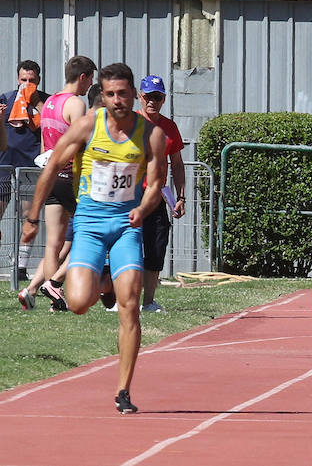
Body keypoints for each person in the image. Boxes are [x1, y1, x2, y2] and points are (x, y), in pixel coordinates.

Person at [21, 62, 168, 414]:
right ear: (101, 95)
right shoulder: (89, 125)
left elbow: (157, 181)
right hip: (88, 224)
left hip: (125, 227)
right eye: (111, 94)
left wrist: (144, 208)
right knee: (78, 303)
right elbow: (53, 164)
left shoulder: (151, 135)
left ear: (134, 94)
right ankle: (103, 282)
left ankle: (123, 391)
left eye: (123, 93)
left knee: (131, 307)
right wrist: (32, 218)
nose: (118, 100)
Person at [18, 55, 95, 311]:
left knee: (53, 244)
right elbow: (80, 141)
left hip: (50, 174)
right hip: (70, 176)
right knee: (92, 233)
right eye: (90, 80)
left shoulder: (50, 101)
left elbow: (44, 143)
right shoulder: (76, 103)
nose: (89, 86)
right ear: (83, 77)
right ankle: (55, 284)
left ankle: (54, 296)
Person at [135, 75, 186, 313]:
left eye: (158, 97)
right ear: (139, 96)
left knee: (156, 249)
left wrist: (181, 197)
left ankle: (149, 301)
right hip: (131, 197)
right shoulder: (128, 122)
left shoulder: (169, 127)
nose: (152, 102)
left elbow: (176, 163)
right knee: (128, 247)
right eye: (148, 97)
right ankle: (122, 299)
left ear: (164, 99)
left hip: (157, 198)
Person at [2, 60, 48, 281]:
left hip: (30, 164)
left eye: (32, 80)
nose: (27, 84)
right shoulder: (6, 99)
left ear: (38, 81)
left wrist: (36, 102)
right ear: (17, 80)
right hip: (4, 162)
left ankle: (21, 266)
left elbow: (51, 122)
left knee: (28, 216)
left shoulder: (45, 101)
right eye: (24, 80)